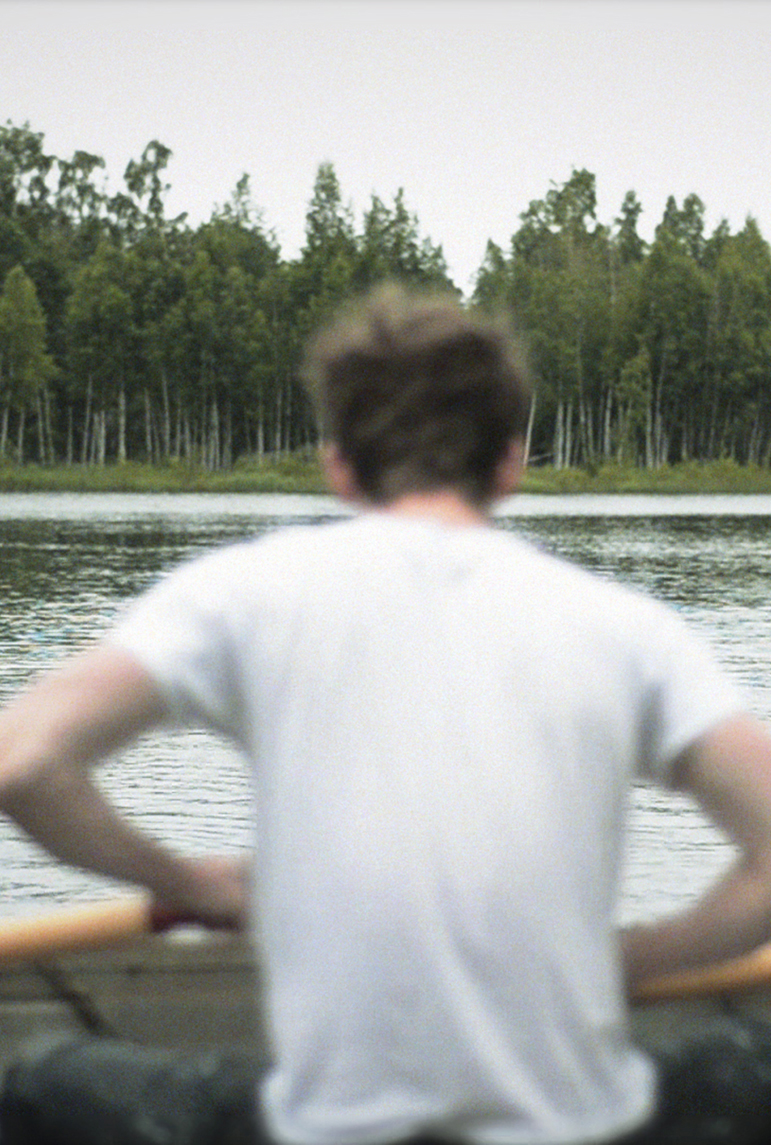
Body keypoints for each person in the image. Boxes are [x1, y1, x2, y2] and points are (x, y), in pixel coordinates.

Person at [1, 281, 771, 1145]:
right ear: (510, 463)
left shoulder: (240, 595)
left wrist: (188, 885)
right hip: (577, 1128)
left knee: (40, 1081)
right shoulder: (627, 629)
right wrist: (624, 963)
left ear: (338, 464)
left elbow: (22, 761)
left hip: (327, 1131)